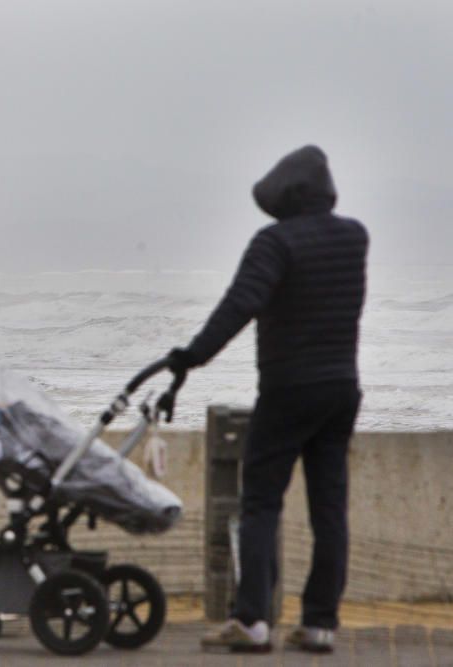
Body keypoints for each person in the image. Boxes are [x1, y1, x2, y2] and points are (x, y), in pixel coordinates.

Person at [165, 145, 368, 653]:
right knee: (329, 509)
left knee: (259, 504)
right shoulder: (354, 237)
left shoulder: (274, 242)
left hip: (288, 390)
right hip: (342, 389)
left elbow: (241, 305)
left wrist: (190, 357)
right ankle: (320, 623)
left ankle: (253, 621)